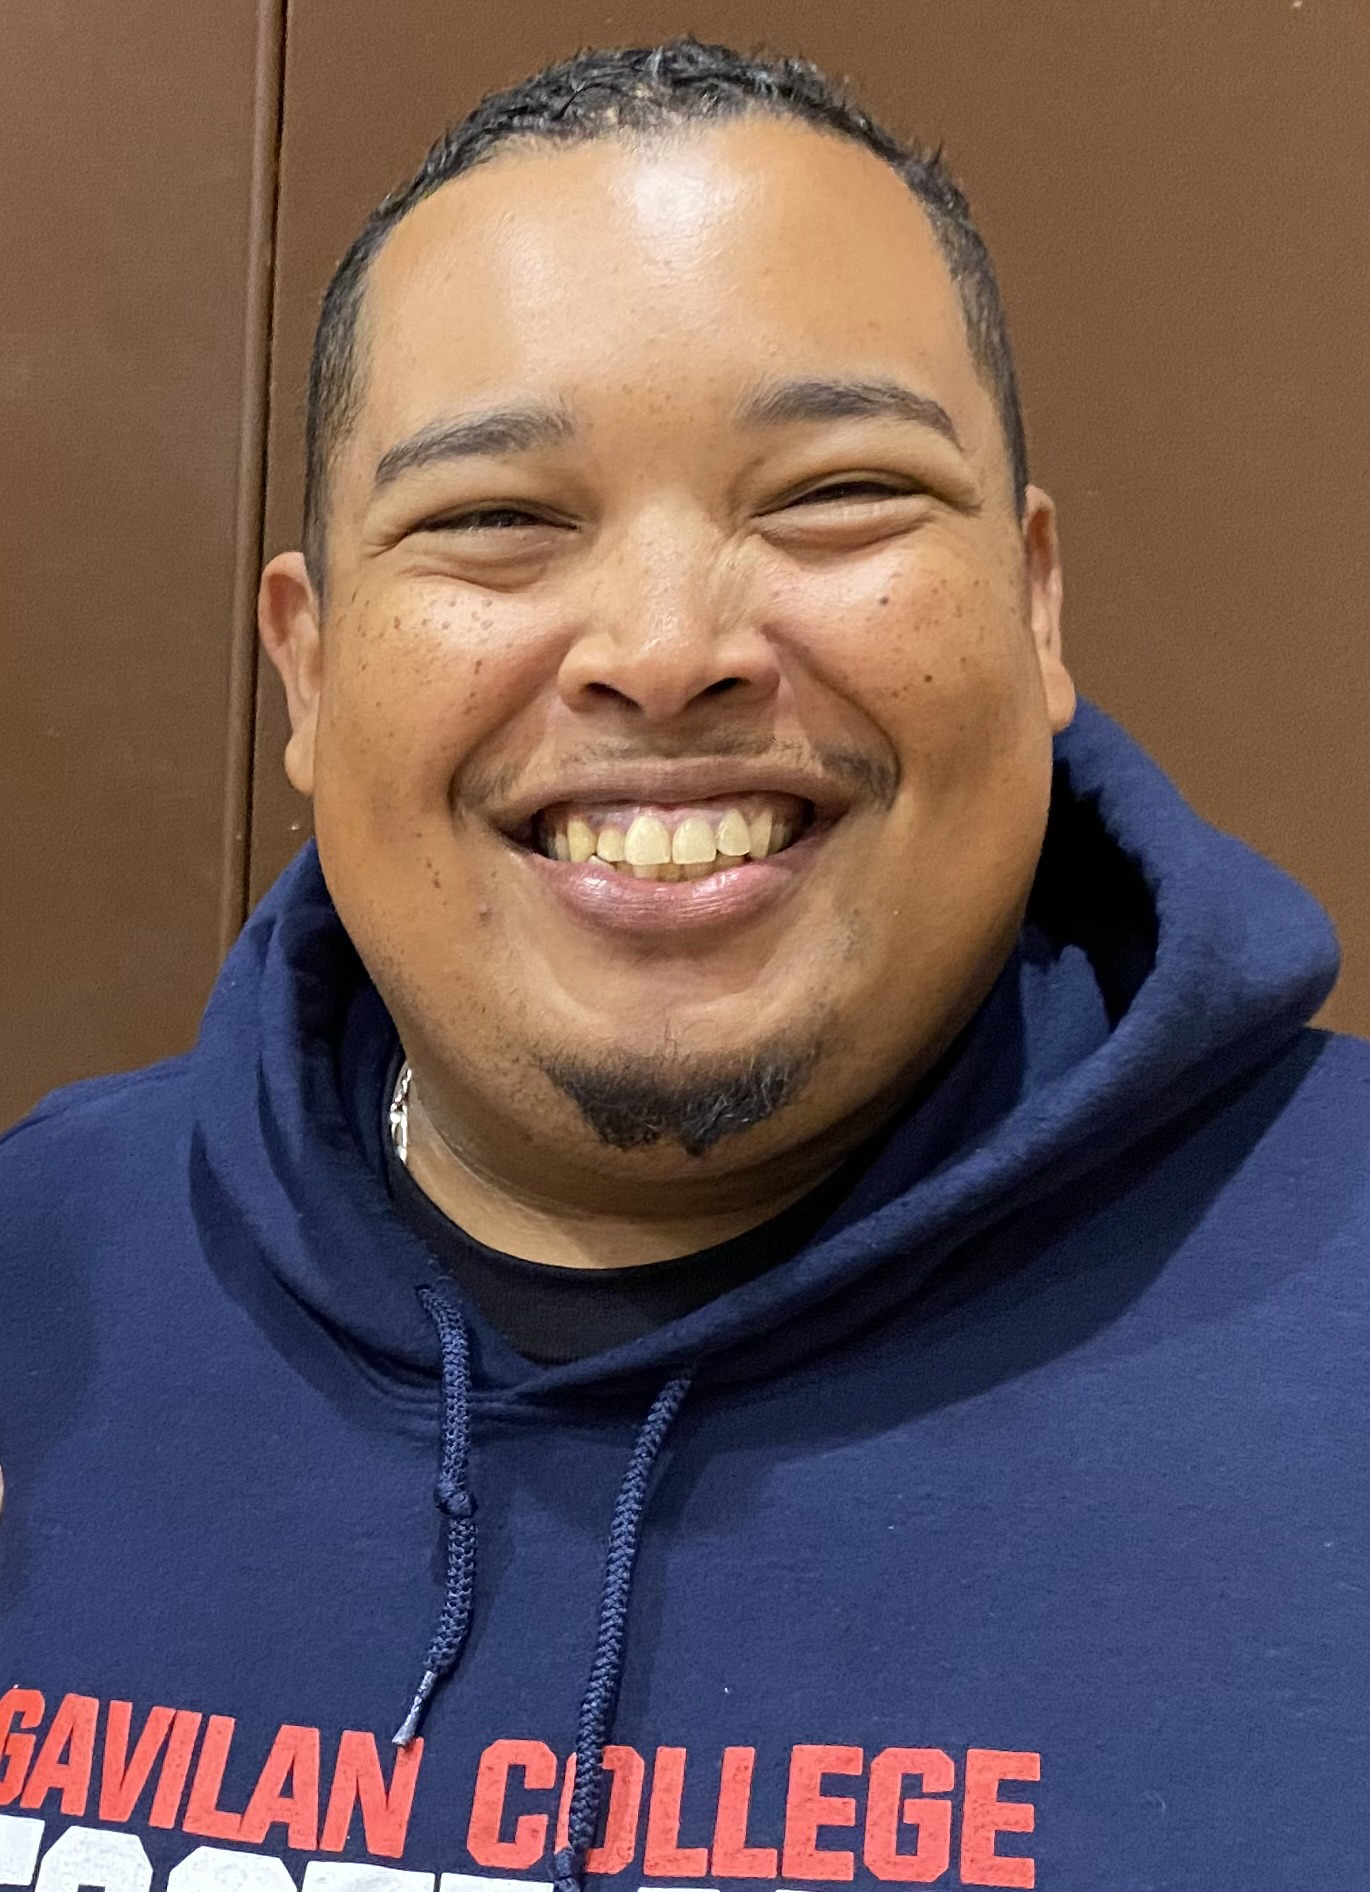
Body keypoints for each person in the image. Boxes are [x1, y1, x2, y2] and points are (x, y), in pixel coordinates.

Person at [1, 35, 1365, 1892]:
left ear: (1036, 607)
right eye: (494, 519)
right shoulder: (42, 1279)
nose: (661, 647)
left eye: (831, 496)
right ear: (308, 670)